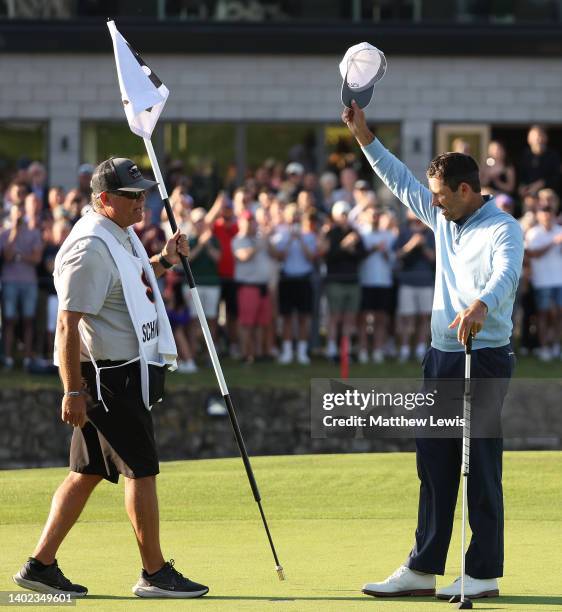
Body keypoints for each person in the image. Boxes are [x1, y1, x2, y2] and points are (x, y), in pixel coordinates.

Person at [343, 100, 523, 601]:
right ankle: (424, 568)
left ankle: (483, 571)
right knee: (435, 463)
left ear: (466, 190)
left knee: (479, 462)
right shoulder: (444, 216)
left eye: (442, 195)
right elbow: (399, 180)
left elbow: (506, 274)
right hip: (442, 355)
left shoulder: (502, 227)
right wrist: (363, 137)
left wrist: (483, 304)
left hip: (483, 358)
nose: (434, 203)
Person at [12, 158, 209, 599]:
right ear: (104, 199)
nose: (142, 201)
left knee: (86, 471)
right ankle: (154, 573)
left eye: (143, 193)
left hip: (119, 372)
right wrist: (72, 390)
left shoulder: (120, 234)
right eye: (132, 195)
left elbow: (129, 289)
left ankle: (40, 565)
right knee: (142, 469)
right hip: (106, 378)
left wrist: (164, 260)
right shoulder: (89, 246)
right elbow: (67, 324)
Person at [0, 203, 43, 370]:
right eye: (15, 213)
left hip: (29, 282)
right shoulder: (4, 234)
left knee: (28, 321)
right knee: (9, 321)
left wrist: (21, 256)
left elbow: (36, 258)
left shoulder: (33, 233)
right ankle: (9, 358)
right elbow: (8, 256)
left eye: (20, 213)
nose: (18, 216)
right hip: (9, 281)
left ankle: (27, 359)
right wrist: (14, 234)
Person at [394, 211, 436, 363]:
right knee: (407, 318)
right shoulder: (403, 232)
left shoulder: (430, 233)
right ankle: (404, 349)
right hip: (407, 282)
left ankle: (420, 349)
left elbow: (435, 258)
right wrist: (412, 244)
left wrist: (423, 246)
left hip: (426, 282)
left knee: (425, 317)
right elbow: (397, 255)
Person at [524, 200, 562, 361]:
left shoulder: (559, 230)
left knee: (558, 315)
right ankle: (544, 347)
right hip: (542, 281)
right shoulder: (533, 233)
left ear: (553, 215)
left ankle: (556, 346)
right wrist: (553, 242)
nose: (546, 214)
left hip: (559, 280)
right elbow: (532, 254)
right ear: (538, 215)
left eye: (549, 211)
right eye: (543, 211)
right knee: (543, 315)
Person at [518, 125, 561, 198]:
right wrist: (522, 186)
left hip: (549, 193)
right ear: (529, 139)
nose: (538, 140)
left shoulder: (553, 156)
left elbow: (557, 177)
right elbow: (521, 176)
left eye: (541, 137)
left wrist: (542, 183)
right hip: (529, 194)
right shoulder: (525, 156)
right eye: (535, 138)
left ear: (546, 138)